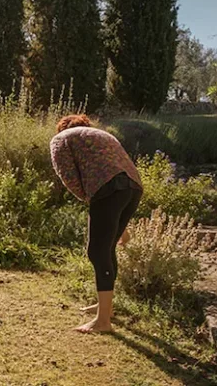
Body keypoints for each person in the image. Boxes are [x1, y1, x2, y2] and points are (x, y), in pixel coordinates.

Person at [49, 114, 143, 334]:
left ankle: (103, 322)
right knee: (107, 248)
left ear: (61, 129)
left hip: (107, 188)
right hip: (133, 187)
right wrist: (121, 222)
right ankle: (105, 309)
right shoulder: (102, 135)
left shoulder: (61, 139)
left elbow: (68, 177)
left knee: (97, 252)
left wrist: (90, 199)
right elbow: (120, 170)